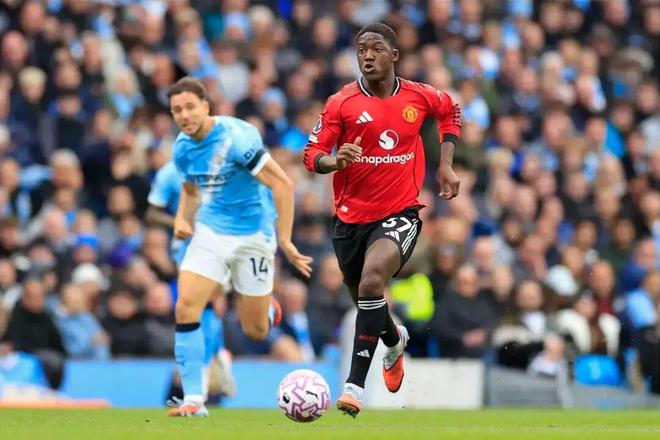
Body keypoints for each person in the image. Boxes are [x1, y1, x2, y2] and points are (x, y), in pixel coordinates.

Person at [302, 23, 461, 417]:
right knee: (366, 301)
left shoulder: (418, 96)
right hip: (350, 221)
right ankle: (393, 341)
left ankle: (353, 387)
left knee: (373, 280)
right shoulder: (341, 102)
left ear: (394, 54)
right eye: (361, 49)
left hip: (400, 212)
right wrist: (334, 161)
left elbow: (450, 111)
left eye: (375, 48)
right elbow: (311, 153)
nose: (367, 55)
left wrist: (445, 164)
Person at [166, 77, 312, 417]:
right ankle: (194, 399)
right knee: (185, 306)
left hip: (253, 235)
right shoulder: (182, 148)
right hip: (211, 231)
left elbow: (282, 184)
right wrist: (182, 219)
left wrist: (285, 239)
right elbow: (191, 190)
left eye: (190, 107)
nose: (184, 115)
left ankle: (266, 308)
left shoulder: (237, 138)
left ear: (205, 106)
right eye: (177, 110)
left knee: (255, 330)